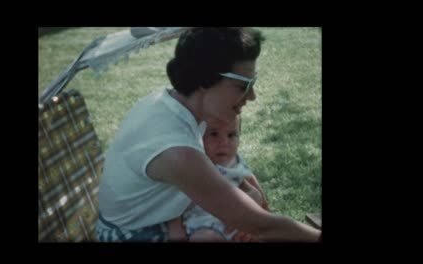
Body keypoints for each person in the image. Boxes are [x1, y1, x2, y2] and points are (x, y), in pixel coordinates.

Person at [95, 27, 321, 242]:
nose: (252, 96)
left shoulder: (175, 103)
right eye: (244, 85)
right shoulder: (176, 150)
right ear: (204, 79)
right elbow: (260, 225)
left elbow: (235, 179)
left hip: (159, 214)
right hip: (138, 232)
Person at [182, 115, 270, 242]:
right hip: (202, 224)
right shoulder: (193, 163)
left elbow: (252, 188)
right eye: (214, 134)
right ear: (198, 136)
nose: (224, 142)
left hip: (237, 222)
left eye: (231, 135)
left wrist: (254, 208)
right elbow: (172, 201)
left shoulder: (234, 163)